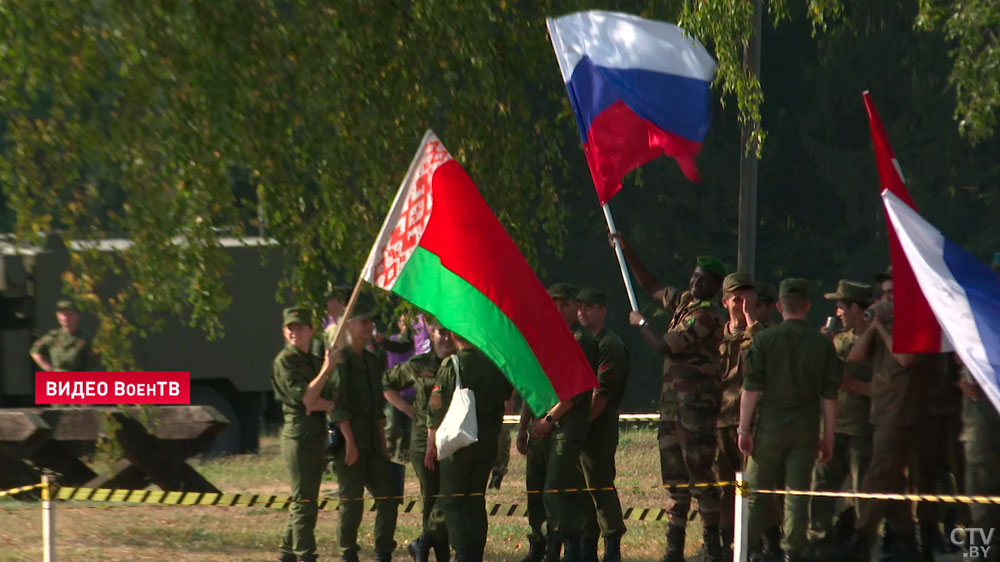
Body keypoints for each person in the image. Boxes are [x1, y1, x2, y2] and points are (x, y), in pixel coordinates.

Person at [613, 233, 727, 562]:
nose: (694, 282)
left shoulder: (706, 315)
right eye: (693, 276)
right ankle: (674, 545)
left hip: (696, 408)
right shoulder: (685, 303)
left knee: (700, 473)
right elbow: (652, 287)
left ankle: (712, 545)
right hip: (672, 407)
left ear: (714, 286)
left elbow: (666, 345)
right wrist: (627, 251)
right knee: (675, 476)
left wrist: (643, 323)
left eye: (702, 280)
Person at [836, 268, 943, 561]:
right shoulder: (885, 326)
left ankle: (862, 537)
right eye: (883, 294)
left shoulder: (916, 322)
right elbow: (854, 357)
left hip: (907, 414)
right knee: (890, 481)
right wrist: (872, 328)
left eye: (892, 295)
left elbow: (906, 359)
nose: (886, 300)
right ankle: (904, 541)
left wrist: (882, 327)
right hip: (882, 414)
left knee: (883, 476)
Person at [738, 278, 841, 562]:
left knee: (755, 493)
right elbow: (829, 397)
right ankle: (793, 553)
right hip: (806, 430)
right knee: (797, 495)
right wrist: (828, 437)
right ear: (807, 306)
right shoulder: (822, 345)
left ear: (780, 306)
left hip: (769, 429)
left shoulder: (764, 339)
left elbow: (751, 389)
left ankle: (745, 549)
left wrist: (743, 429)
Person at [517, 283, 597, 562]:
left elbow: (576, 392)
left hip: (565, 427)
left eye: (565, 304)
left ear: (575, 306)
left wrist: (549, 420)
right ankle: (538, 544)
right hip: (539, 427)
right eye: (555, 303)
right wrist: (522, 426)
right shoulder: (545, 338)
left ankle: (562, 548)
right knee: (535, 490)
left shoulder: (581, 340)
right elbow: (530, 385)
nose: (560, 309)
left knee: (556, 489)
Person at [427, 333, 514, 562]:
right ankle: (476, 552)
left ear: (456, 334)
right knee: (476, 499)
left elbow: (436, 407)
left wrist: (431, 443)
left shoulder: (452, 364)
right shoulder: (494, 365)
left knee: (452, 500)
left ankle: (463, 552)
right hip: (487, 443)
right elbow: (505, 397)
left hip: (459, 444)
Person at [327, 293, 400, 562]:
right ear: (349, 325)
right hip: (351, 443)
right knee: (352, 503)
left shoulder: (372, 361)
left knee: (389, 496)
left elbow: (378, 408)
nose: (369, 327)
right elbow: (338, 405)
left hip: (372, 442)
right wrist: (350, 442)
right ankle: (348, 554)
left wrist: (382, 443)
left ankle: (383, 552)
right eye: (363, 323)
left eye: (371, 323)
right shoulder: (341, 361)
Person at [382, 316, 457, 562]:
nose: (446, 338)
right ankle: (436, 551)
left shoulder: (460, 364)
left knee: (449, 492)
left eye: (450, 333)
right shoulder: (418, 364)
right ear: (432, 334)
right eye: (441, 333)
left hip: (454, 438)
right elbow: (387, 383)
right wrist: (407, 409)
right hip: (422, 440)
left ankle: (425, 542)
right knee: (431, 495)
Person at [807, 281, 874, 554]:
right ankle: (818, 542)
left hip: (863, 429)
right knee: (821, 487)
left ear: (855, 308)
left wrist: (852, 384)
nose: (837, 312)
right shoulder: (839, 340)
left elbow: (888, 388)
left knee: (863, 492)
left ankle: (862, 545)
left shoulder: (878, 341)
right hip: (834, 428)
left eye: (841, 306)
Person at [271, 306, 335, 562]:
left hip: (316, 434)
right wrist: (326, 373)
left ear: (311, 330)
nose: (294, 332)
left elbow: (326, 398)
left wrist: (323, 400)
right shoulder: (285, 361)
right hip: (298, 437)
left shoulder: (314, 360)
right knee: (305, 503)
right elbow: (308, 397)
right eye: (290, 327)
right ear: (284, 332)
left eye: (299, 327)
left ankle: (287, 553)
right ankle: (306, 555)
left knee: (305, 499)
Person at [576, 287, 630, 562]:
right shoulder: (583, 341)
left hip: (598, 427)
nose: (582, 311)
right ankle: (587, 549)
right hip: (582, 426)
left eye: (589, 306)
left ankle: (612, 549)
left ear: (603, 311)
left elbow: (602, 394)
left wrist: (581, 425)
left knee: (599, 486)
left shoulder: (608, 344)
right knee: (583, 490)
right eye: (580, 307)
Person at [714, 273, 764, 556]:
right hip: (721, 420)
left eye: (748, 296)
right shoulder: (715, 338)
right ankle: (725, 543)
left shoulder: (763, 334)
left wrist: (751, 322)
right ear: (725, 302)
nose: (742, 303)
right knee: (723, 487)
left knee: (754, 487)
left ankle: (755, 544)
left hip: (753, 423)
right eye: (736, 298)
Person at [30, 299, 95, 372]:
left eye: (69, 314)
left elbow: (92, 365)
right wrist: (50, 370)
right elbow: (35, 351)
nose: (65, 318)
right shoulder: (53, 337)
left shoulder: (85, 338)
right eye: (62, 314)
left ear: (77, 316)